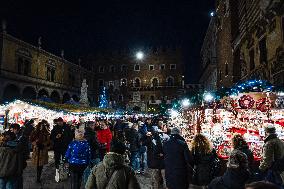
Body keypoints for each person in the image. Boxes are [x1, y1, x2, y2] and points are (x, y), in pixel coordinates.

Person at [50, 117, 73, 182]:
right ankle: (58, 171)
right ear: (57, 122)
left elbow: (71, 136)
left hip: (65, 147)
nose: (60, 122)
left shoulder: (67, 127)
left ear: (62, 121)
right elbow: (51, 137)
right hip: (57, 147)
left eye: (61, 121)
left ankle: (66, 172)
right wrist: (56, 137)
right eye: (58, 121)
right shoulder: (55, 128)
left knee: (65, 159)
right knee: (57, 159)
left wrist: (68, 143)